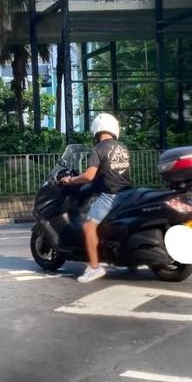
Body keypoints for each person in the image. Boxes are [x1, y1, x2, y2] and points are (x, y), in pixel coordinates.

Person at [60, 112, 133, 283]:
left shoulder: (99, 148)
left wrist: (71, 180)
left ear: (97, 130)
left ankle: (94, 267)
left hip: (110, 195)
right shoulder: (122, 147)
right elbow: (113, 171)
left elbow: (89, 176)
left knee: (89, 227)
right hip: (128, 192)